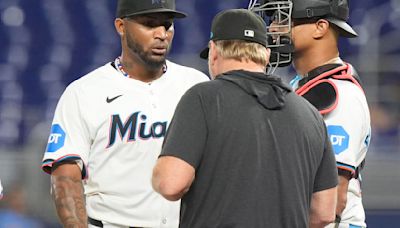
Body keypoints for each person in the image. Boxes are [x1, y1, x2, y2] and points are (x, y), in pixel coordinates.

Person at [152, 9, 338, 228]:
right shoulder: (309, 113)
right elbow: (325, 212)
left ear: (214, 52)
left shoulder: (203, 98)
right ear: (266, 55)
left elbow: (170, 183)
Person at [41, 0, 209, 227]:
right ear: (121, 26)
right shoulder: (84, 93)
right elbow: (65, 178)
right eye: (149, 24)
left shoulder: (195, 84)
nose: (161, 34)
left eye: (167, 25)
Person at [249, 0, 372, 227]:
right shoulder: (302, 85)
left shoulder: (339, 94)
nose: (273, 28)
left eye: (283, 19)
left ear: (320, 27)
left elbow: (333, 198)